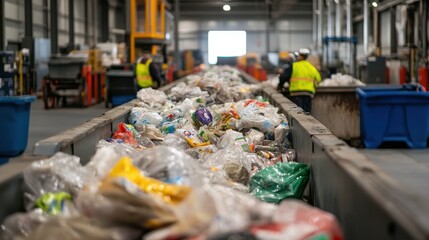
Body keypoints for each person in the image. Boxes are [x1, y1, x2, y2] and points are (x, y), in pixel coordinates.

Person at [277, 48, 321, 113]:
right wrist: (313, 86)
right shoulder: (312, 67)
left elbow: (283, 77)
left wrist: (280, 86)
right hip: (308, 94)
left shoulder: (294, 66)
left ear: (300, 56)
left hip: (296, 94)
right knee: (307, 114)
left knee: (297, 113)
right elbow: (318, 79)